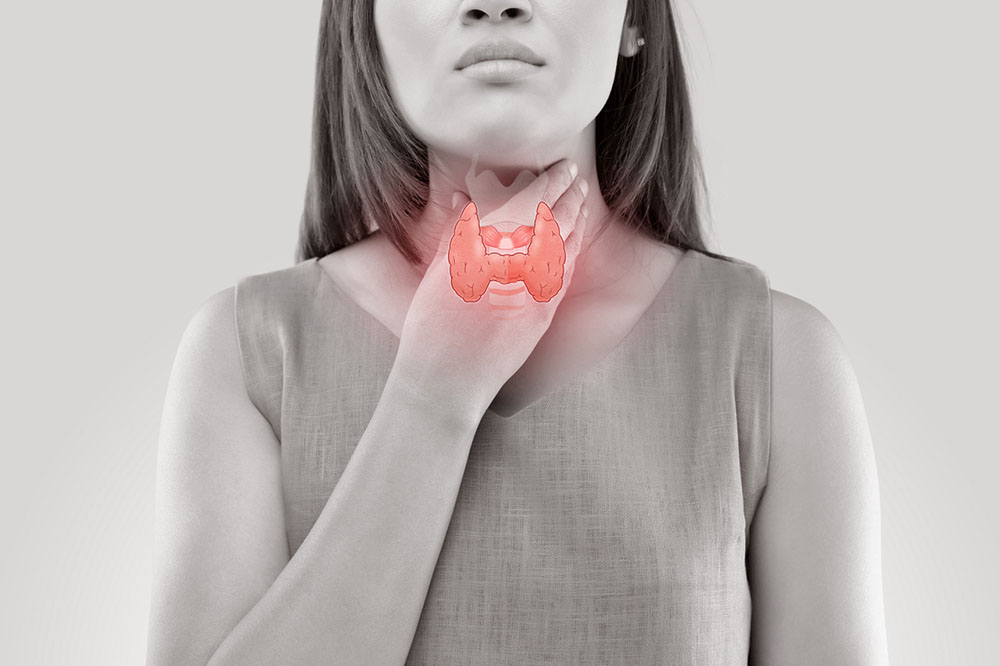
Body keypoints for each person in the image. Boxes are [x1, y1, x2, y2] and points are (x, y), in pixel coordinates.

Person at [146, 1, 890, 664]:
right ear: (364, 24)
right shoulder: (247, 351)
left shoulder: (777, 359)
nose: (495, 5)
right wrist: (433, 394)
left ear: (634, 18)